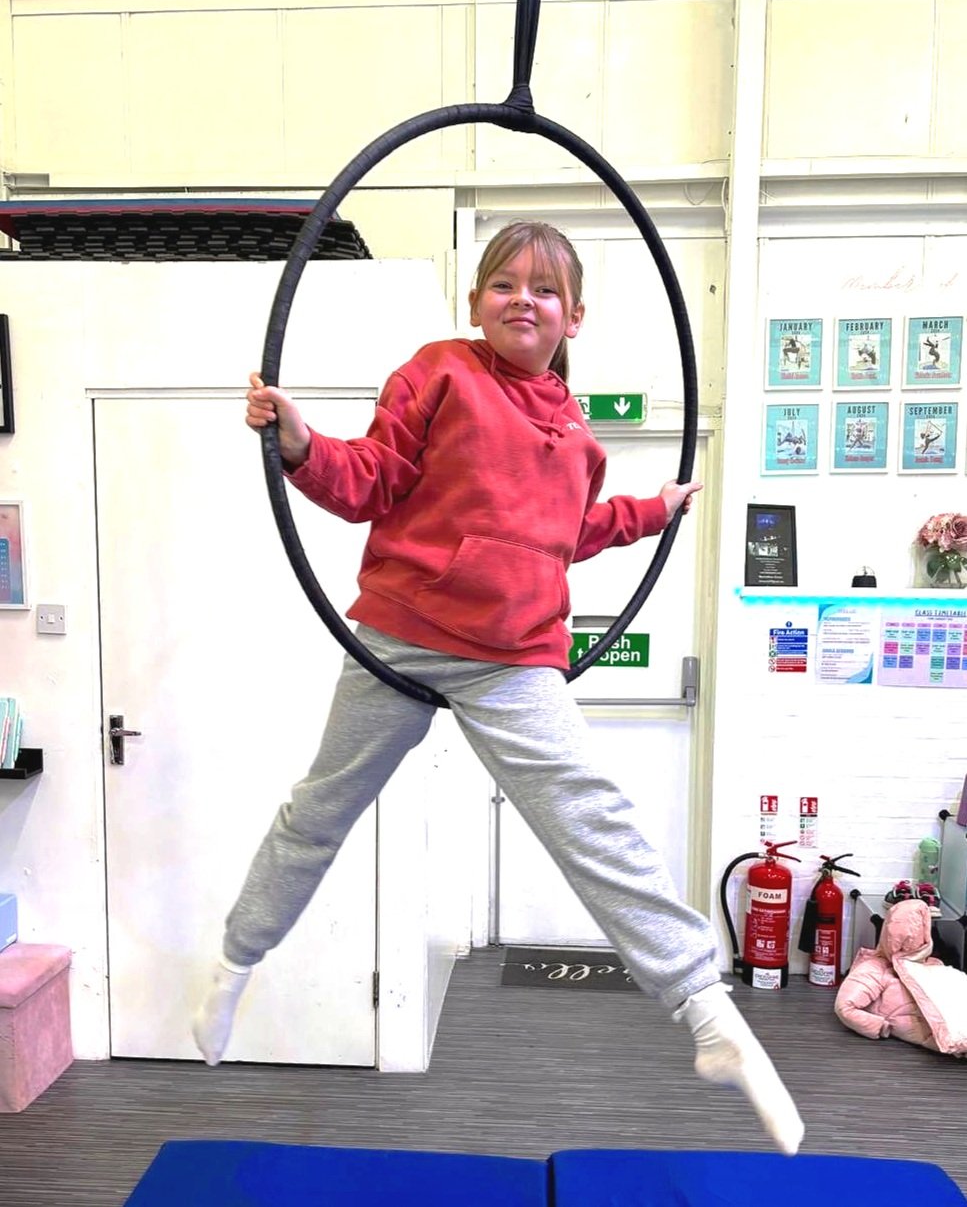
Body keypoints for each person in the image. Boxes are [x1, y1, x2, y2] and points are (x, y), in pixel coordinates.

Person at [192, 220, 804, 1155]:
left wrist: (651, 510)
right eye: (502, 284)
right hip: (403, 635)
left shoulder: (575, 432)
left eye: (544, 290)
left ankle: (706, 1011)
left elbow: (571, 533)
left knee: (592, 818)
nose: (523, 299)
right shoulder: (439, 371)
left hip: (514, 655)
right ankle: (236, 961)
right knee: (320, 808)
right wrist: (300, 439)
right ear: (476, 300)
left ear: (575, 316)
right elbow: (372, 477)